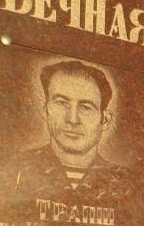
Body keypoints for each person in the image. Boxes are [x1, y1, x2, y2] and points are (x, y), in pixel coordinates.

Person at [12, 60, 133, 205]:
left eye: (86, 107)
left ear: (105, 120)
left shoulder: (127, 183)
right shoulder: (15, 168)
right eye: (61, 103)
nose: (72, 119)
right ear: (45, 109)